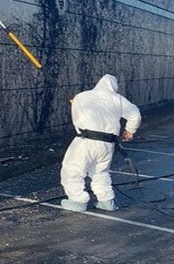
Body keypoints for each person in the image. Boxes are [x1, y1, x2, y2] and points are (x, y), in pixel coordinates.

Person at [60, 74, 141, 212]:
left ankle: (77, 201)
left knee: (73, 170)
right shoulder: (118, 99)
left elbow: (77, 117)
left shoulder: (81, 97)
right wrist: (129, 131)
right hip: (107, 144)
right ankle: (106, 201)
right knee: (100, 172)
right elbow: (135, 114)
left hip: (86, 140)